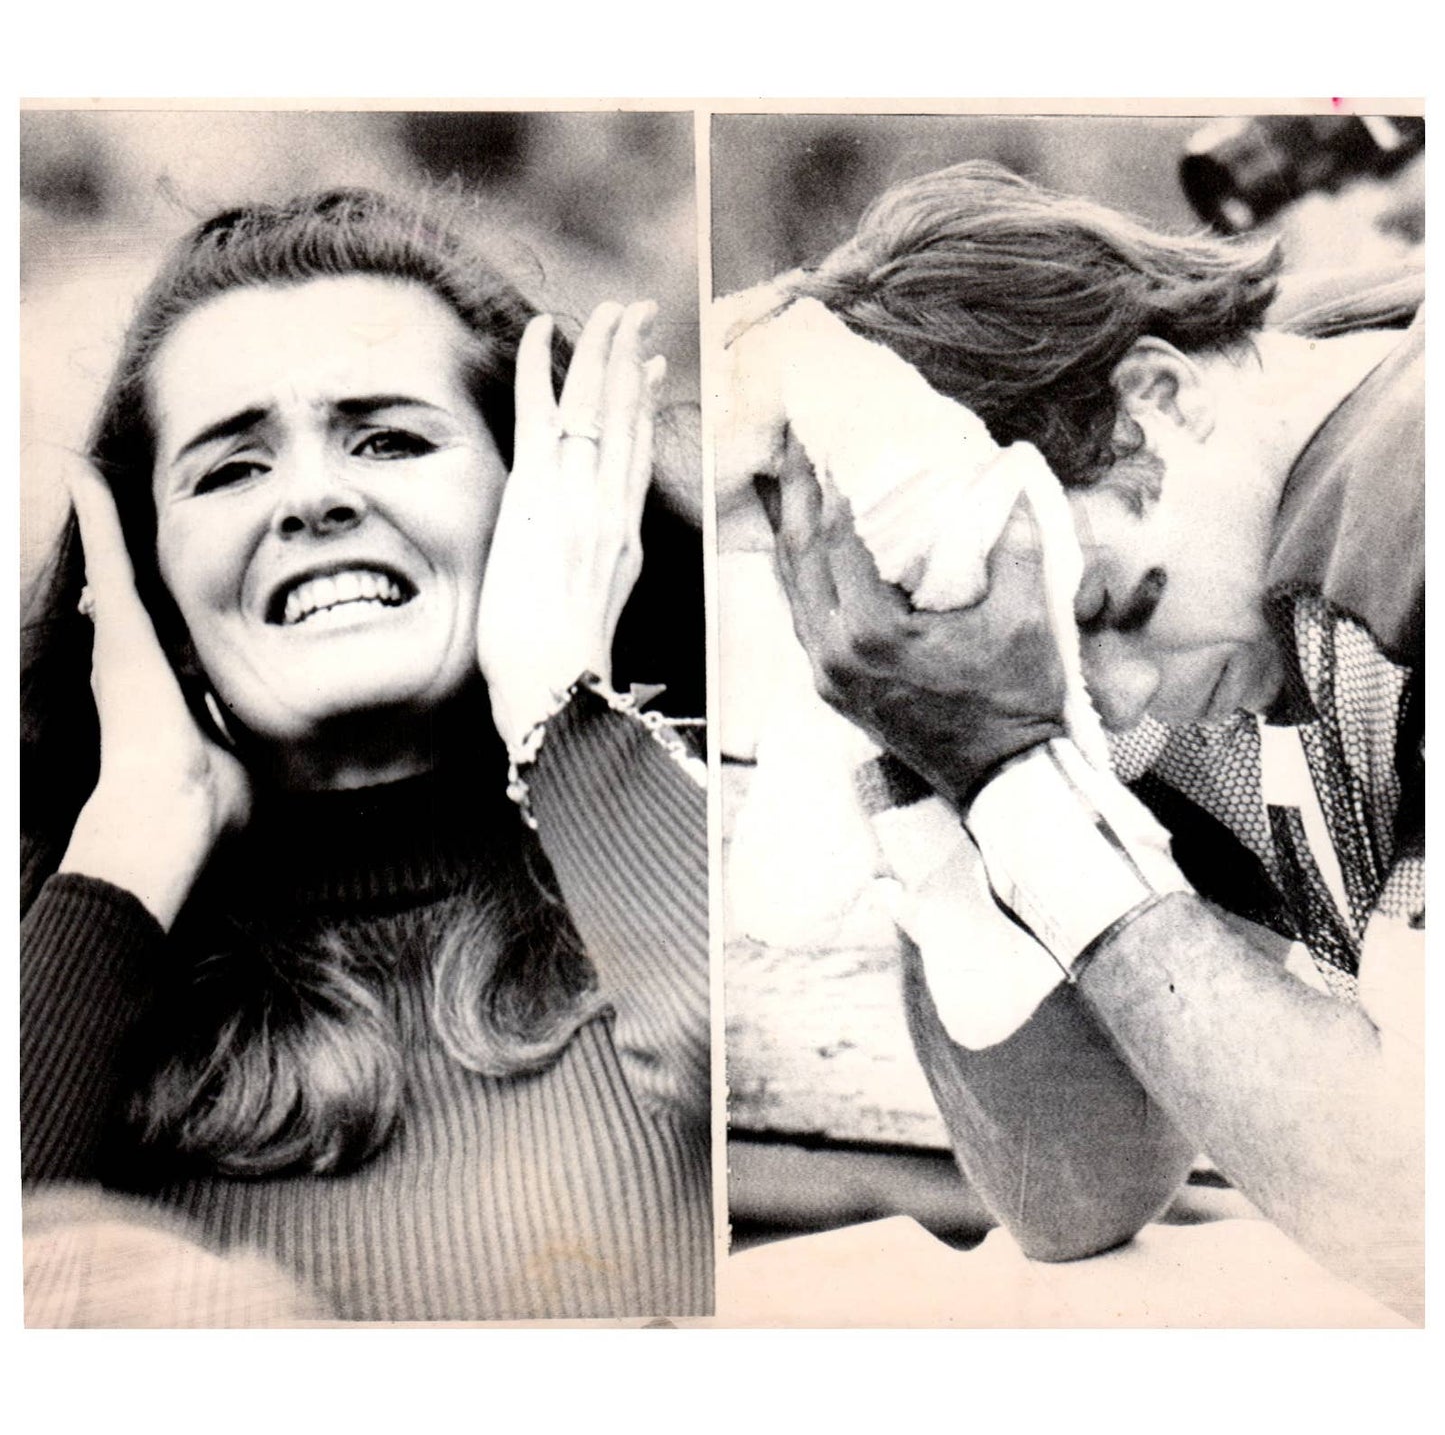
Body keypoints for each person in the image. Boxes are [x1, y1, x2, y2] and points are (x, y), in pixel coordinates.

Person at [734, 161, 1423, 1318]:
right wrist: (933, 745)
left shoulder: (1398, 482)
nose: (1124, 693)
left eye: (1108, 606)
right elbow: (1074, 1192)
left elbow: (1419, 1208)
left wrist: (1013, 772)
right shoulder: (1232, 524)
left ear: (1159, 393)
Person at [20, 187, 710, 1324]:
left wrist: (562, 705)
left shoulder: (701, 847)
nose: (312, 498)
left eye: (389, 438)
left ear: (539, 500)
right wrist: (132, 839)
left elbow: (724, 1066)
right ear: (148, 582)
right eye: (230, 469)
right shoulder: (67, 960)